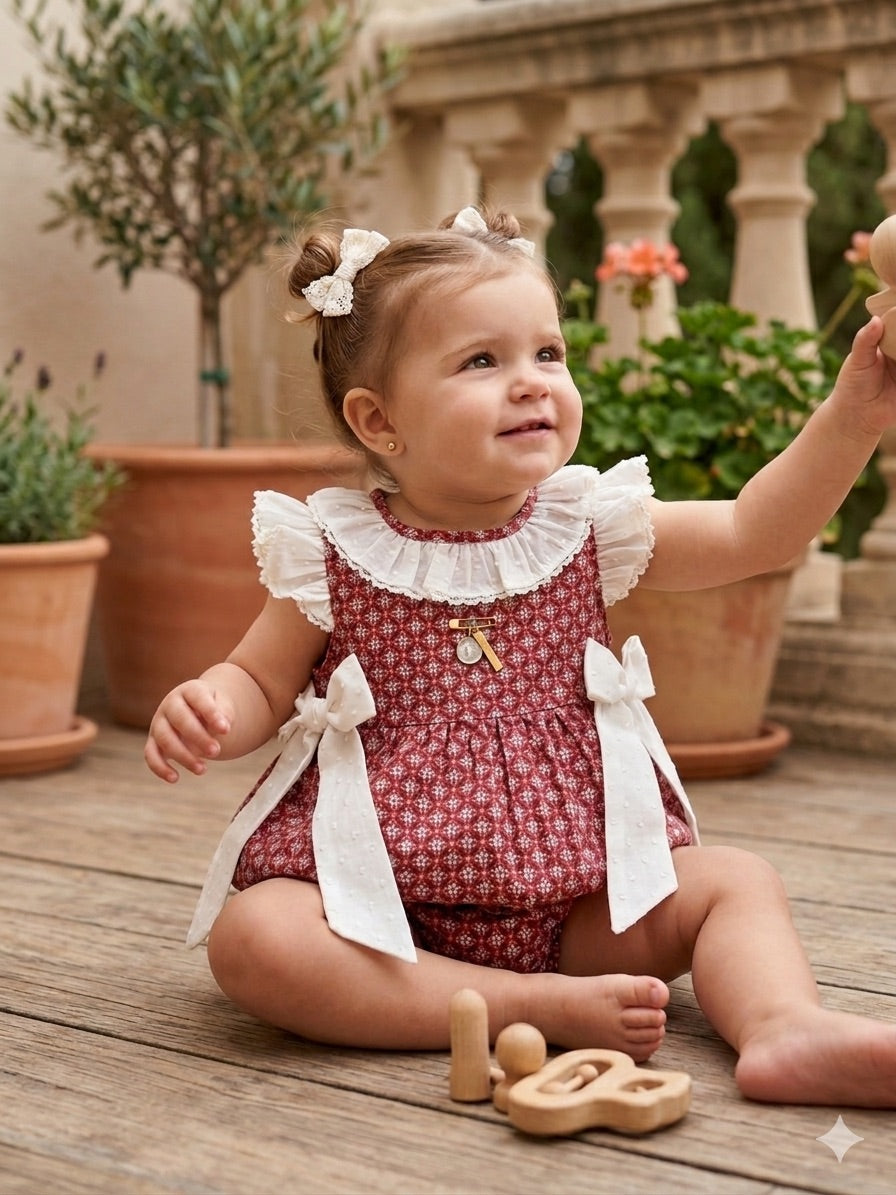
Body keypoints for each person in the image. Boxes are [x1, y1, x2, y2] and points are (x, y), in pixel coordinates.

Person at [145, 206, 896, 1108]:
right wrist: (212, 707)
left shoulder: (586, 525)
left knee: (737, 882)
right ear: (379, 420)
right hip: (383, 913)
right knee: (255, 937)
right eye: (482, 361)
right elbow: (260, 680)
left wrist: (854, 416)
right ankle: (524, 1006)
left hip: (577, 904)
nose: (533, 382)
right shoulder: (335, 550)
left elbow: (753, 531)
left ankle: (783, 1026)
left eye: (548, 353)